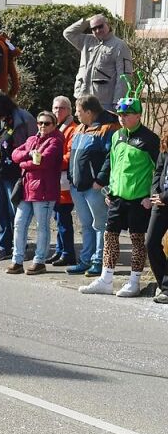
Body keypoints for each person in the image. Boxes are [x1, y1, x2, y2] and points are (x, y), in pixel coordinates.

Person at [80, 88, 159, 297]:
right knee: (110, 237)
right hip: (117, 196)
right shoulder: (117, 136)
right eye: (120, 115)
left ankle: (134, 281)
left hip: (139, 199)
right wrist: (109, 187)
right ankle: (106, 279)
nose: (122, 119)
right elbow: (112, 162)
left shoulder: (150, 139)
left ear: (138, 115)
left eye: (126, 115)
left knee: (136, 239)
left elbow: (158, 170)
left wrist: (150, 196)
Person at [6, 111, 65, 275]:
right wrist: (28, 155)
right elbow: (15, 154)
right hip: (27, 189)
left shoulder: (55, 141)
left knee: (42, 226)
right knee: (19, 223)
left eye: (47, 123)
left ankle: (39, 260)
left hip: (45, 190)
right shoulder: (31, 139)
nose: (43, 126)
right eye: (40, 123)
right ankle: (17, 260)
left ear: (54, 125)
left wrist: (23, 164)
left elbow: (42, 162)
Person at [67, 94, 120, 276]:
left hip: (93, 187)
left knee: (100, 225)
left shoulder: (108, 128)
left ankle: (98, 261)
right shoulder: (81, 128)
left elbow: (110, 157)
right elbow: (73, 155)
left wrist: (100, 180)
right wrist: (71, 177)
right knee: (86, 225)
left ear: (89, 112)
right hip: (77, 186)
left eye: (79, 111)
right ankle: (85, 260)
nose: (76, 114)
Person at [0, 91, 36, 261]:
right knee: (2, 212)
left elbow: (33, 143)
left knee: (16, 212)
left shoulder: (24, 118)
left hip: (16, 173)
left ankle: (20, 247)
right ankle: (3, 246)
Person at [64, 14, 133, 110]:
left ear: (108, 25)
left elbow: (124, 77)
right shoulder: (87, 41)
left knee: (103, 125)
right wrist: (87, 21)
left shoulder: (119, 46)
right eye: (94, 28)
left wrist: (117, 102)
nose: (97, 30)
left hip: (104, 102)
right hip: (82, 98)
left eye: (100, 26)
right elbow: (68, 33)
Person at [48, 96, 78, 267]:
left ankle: (67, 253)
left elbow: (70, 155)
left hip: (64, 179)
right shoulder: (56, 128)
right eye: (55, 108)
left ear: (69, 110)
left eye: (61, 108)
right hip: (55, 179)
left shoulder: (72, 129)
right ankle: (60, 250)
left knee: (63, 218)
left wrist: (51, 162)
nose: (57, 111)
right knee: (58, 218)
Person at [147, 135, 168, 304]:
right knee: (151, 242)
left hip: (165, 198)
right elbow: (158, 170)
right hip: (160, 203)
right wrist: (155, 194)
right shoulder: (166, 142)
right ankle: (165, 285)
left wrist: (164, 196)